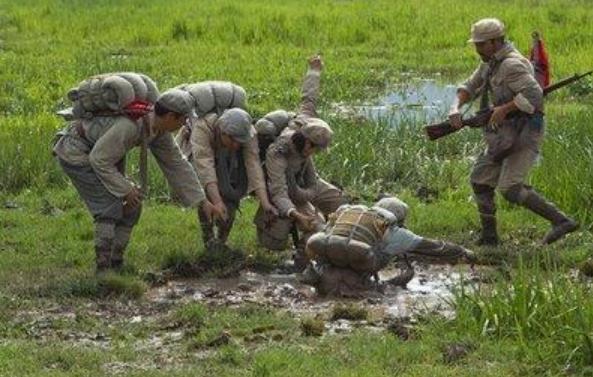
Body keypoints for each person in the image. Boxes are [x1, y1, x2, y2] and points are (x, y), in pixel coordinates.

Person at [53, 86, 220, 272]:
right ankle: (103, 270)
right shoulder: (130, 126)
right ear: (171, 116)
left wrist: (202, 201)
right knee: (110, 206)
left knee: (133, 205)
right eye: (183, 120)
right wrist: (125, 189)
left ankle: (117, 262)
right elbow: (98, 160)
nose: (184, 125)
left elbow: (177, 165)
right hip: (77, 152)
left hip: (103, 155)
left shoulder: (159, 130)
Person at [448, 18, 577, 246]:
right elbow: (470, 86)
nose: (477, 49)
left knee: (510, 187)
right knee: (480, 180)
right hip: (502, 132)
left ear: (496, 42)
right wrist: (455, 108)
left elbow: (535, 95)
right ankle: (489, 237)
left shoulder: (512, 65)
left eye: (481, 44)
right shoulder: (490, 62)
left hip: (526, 129)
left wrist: (506, 108)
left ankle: (562, 221)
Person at [254, 56, 349, 271]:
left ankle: (345, 241)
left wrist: (314, 70)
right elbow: (279, 193)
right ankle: (304, 262)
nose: (316, 152)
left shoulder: (306, 120)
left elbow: (309, 99)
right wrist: (296, 215)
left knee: (342, 204)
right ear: (306, 142)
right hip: (288, 190)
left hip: (307, 182)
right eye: (315, 148)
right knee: (316, 226)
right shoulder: (278, 153)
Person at [303, 197, 475, 297]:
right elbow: (435, 247)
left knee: (330, 248)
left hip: (324, 249)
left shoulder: (349, 214)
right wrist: (463, 251)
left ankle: (318, 273)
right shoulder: (394, 231)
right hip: (360, 257)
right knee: (373, 257)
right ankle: (365, 283)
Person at [177, 107, 277, 247]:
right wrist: (217, 202)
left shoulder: (248, 133)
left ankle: (222, 242)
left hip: (230, 162)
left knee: (230, 197)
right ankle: (209, 239)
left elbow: (254, 166)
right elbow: (205, 167)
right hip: (201, 158)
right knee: (207, 195)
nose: (237, 145)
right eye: (233, 140)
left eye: (240, 142)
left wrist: (265, 203)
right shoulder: (203, 128)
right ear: (223, 132)